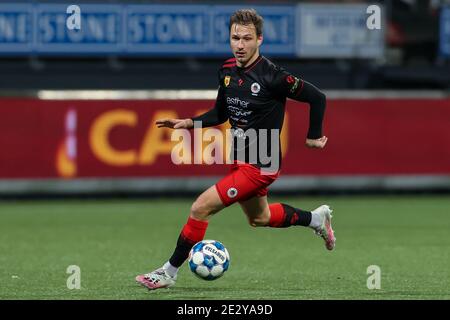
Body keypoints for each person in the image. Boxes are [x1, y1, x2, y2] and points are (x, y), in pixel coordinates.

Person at [136, 8, 335, 291]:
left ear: (260, 40)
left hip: (262, 162)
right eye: (235, 38)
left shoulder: (274, 76)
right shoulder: (227, 70)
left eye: (247, 39)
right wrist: (189, 123)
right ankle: (316, 219)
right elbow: (221, 113)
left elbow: (318, 97)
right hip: (240, 155)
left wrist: (315, 135)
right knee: (260, 218)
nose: (240, 45)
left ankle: (167, 272)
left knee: (200, 207)